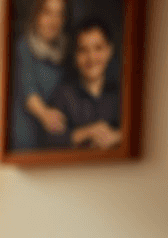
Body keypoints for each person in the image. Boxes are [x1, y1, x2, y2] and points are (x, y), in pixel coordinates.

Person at [49, 17, 122, 150]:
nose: (91, 57)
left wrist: (117, 136)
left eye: (98, 48)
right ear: (75, 55)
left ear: (109, 51)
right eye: (83, 50)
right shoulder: (63, 95)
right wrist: (89, 132)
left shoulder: (122, 94)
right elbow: (50, 140)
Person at [9, 0, 71, 151]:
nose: (53, 21)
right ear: (36, 16)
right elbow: (29, 92)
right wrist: (45, 114)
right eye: (47, 13)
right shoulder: (24, 47)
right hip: (25, 135)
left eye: (59, 14)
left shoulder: (66, 51)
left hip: (51, 139)